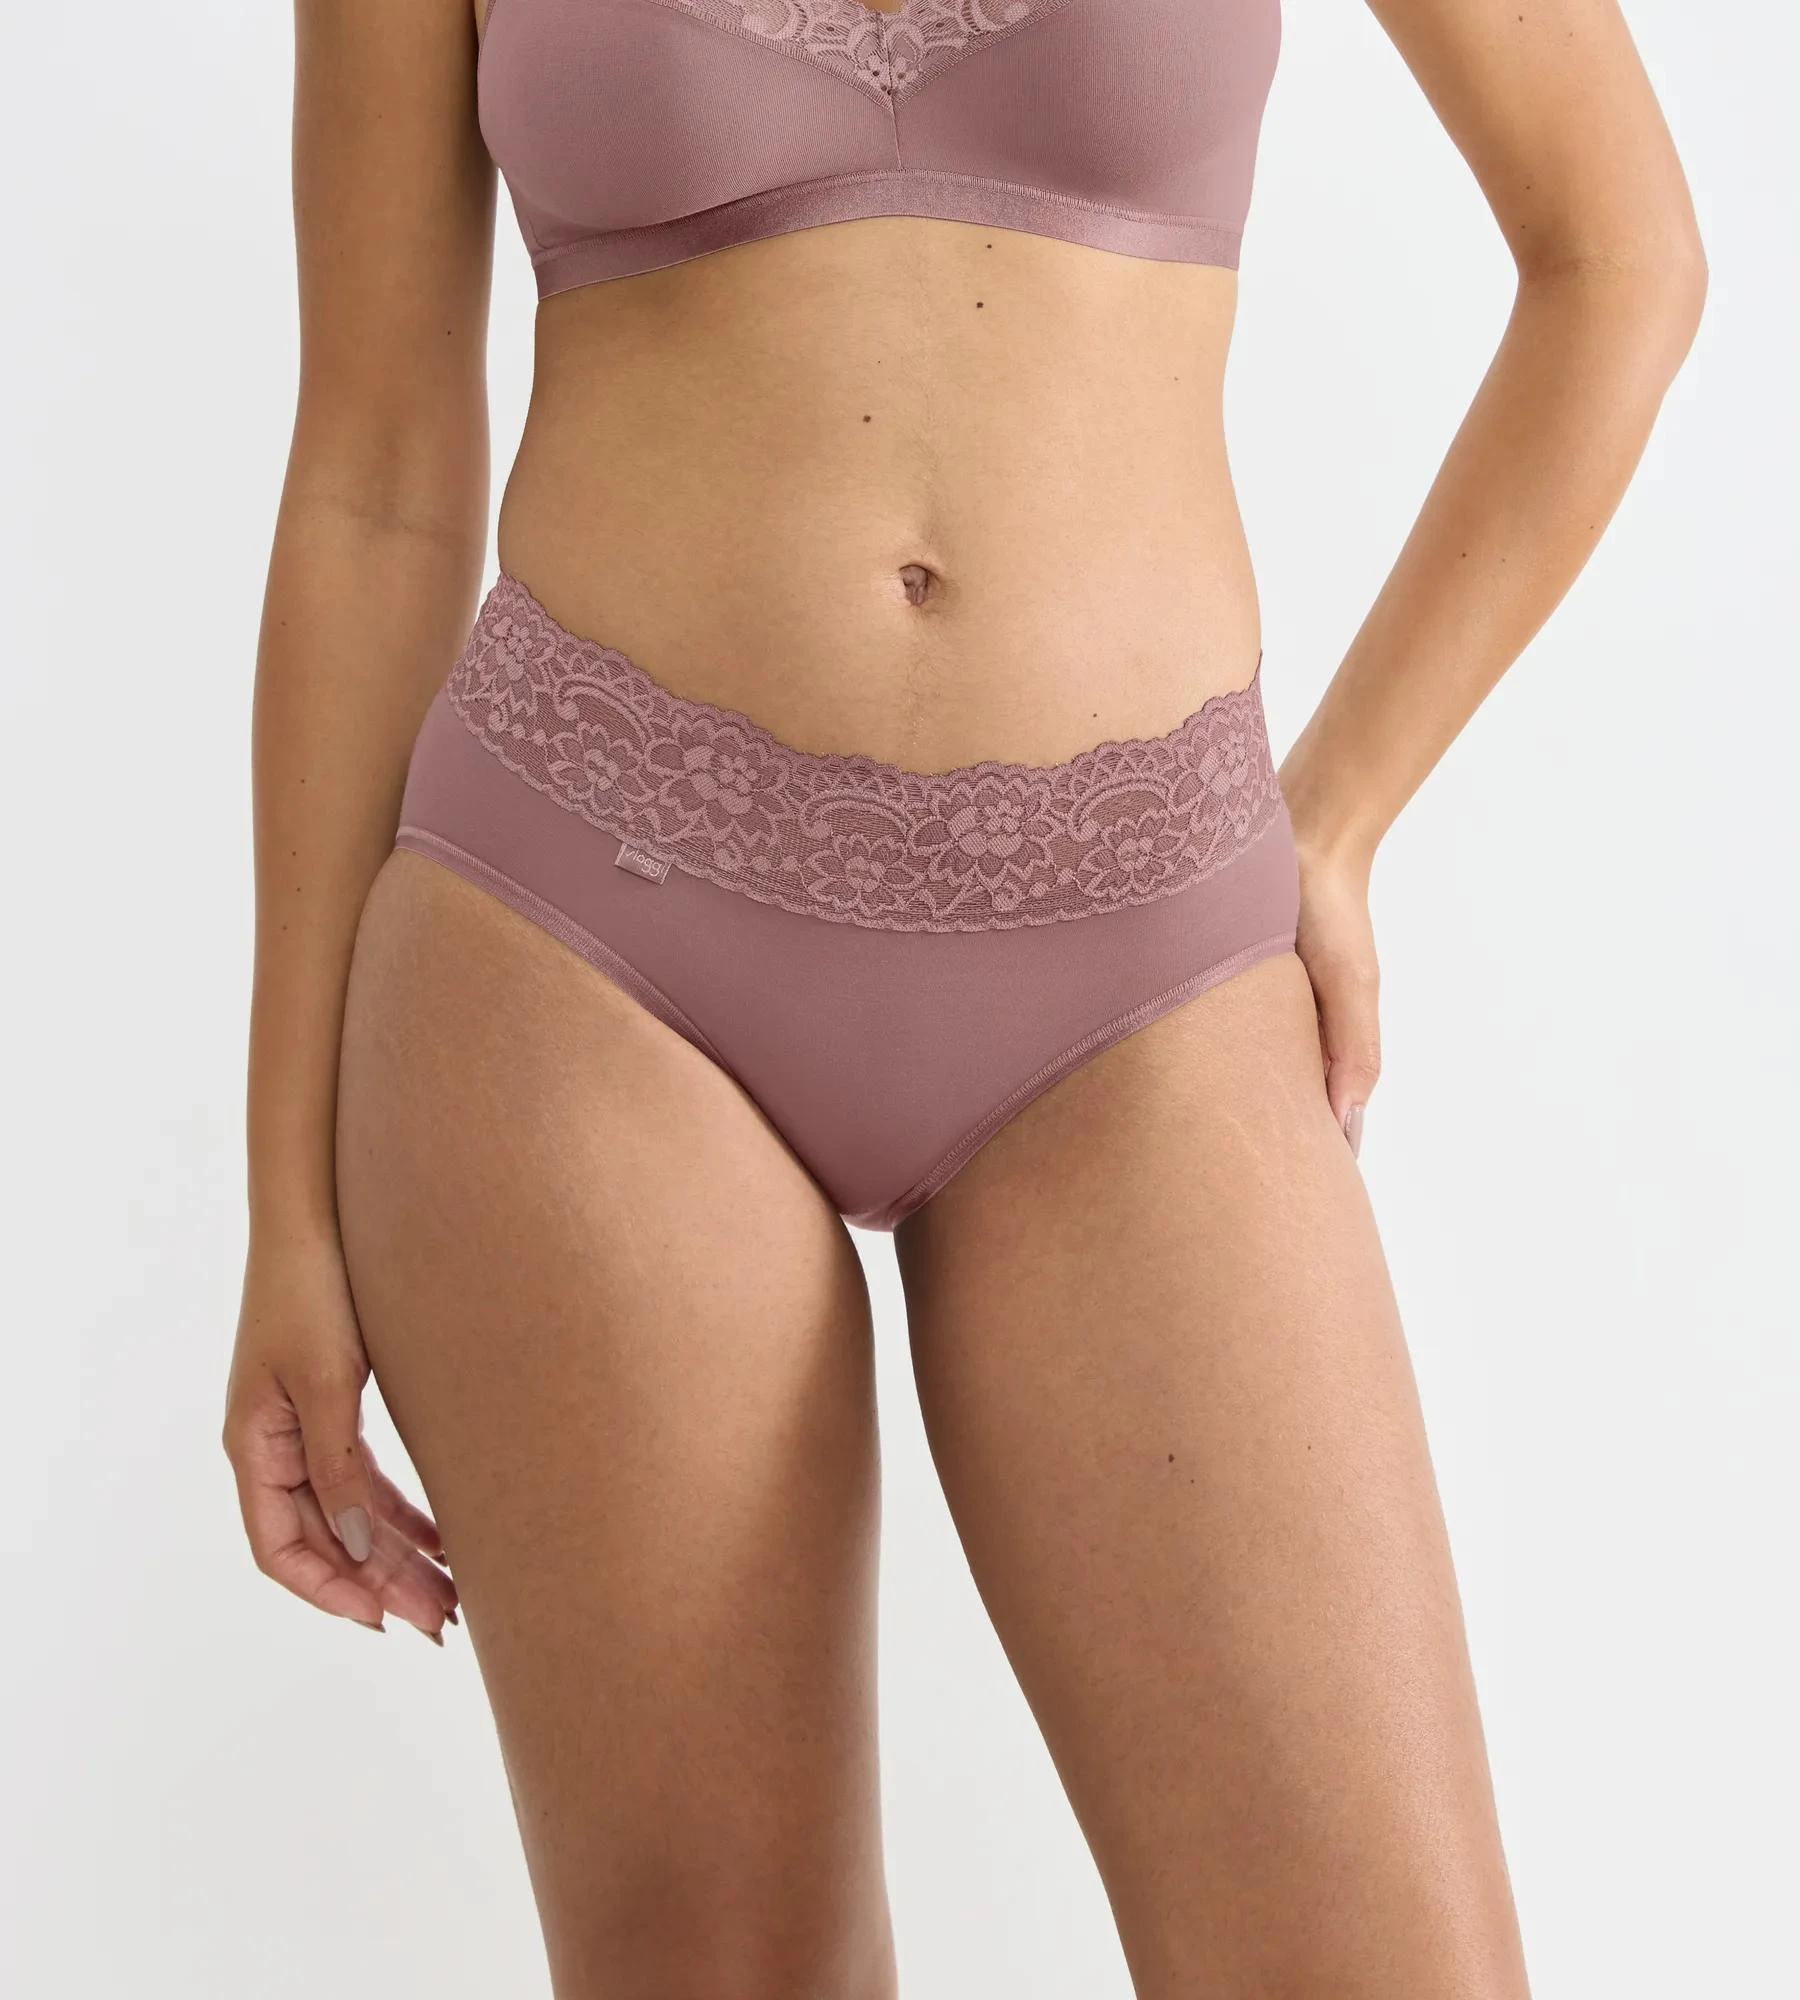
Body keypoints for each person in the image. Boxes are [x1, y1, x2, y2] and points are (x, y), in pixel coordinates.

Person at [223, 2, 1704, 1992]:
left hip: (1146, 963)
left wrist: (1342, 818)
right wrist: (288, 1210)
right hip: (583, 944)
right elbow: (375, 484)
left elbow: (1620, 254)